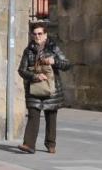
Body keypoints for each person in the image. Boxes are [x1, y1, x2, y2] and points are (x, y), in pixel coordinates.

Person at [16, 22, 71, 154]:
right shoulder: (28, 51)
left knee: (51, 117)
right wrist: (35, 76)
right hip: (34, 88)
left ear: (45, 35)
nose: (37, 36)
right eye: (34, 34)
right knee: (33, 115)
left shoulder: (53, 48)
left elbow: (67, 64)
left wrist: (55, 61)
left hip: (51, 89)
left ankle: (50, 144)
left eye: (40, 33)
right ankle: (29, 145)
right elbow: (21, 70)